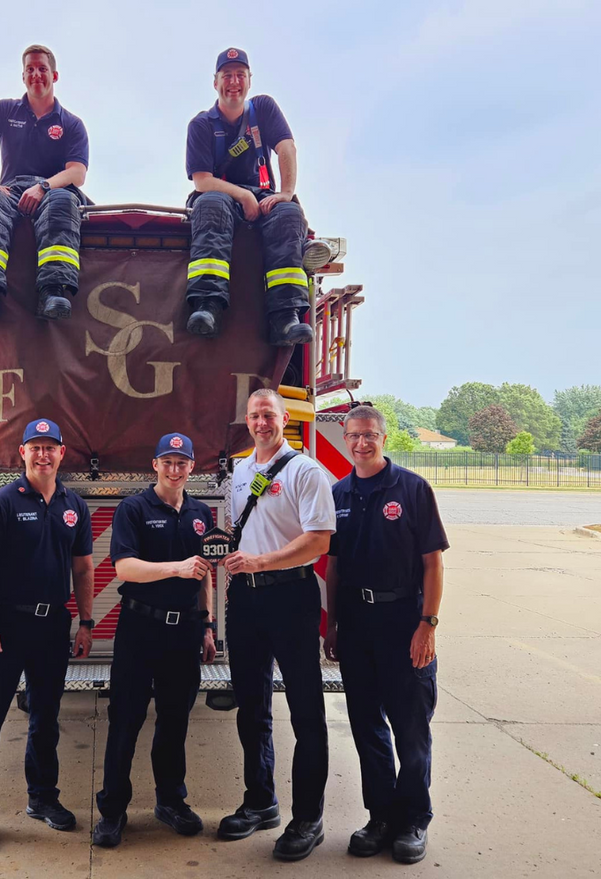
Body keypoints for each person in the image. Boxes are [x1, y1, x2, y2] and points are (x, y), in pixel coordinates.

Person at [0, 418, 95, 850]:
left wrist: (86, 622)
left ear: (62, 453)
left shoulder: (74, 505)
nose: (42, 454)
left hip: (53, 624)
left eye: (49, 447)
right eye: (34, 447)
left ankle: (42, 798)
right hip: (6, 625)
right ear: (22, 454)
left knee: (45, 719)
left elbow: (83, 568)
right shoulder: (0, 502)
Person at [323, 404, 447, 865]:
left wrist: (427, 625)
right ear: (346, 438)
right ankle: (380, 816)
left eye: (370, 435)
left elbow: (434, 563)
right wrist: (332, 624)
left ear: (384, 437)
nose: (361, 443)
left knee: (411, 728)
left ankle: (413, 818)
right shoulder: (337, 493)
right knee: (367, 728)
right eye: (353, 435)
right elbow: (333, 566)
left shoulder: (412, 489)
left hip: (404, 623)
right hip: (357, 625)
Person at [220, 389, 336, 861]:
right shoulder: (239, 471)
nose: (261, 422)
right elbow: (241, 530)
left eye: (269, 414)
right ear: (246, 422)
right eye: (254, 415)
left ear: (285, 419)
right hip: (245, 603)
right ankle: (260, 801)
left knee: (307, 711)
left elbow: (319, 541)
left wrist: (262, 561)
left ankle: (308, 817)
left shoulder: (307, 471)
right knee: (252, 708)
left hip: (291, 598)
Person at [93, 433, 217, 848]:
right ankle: (112, 811)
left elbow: (206, 573)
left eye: (183, 462)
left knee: (175, 719)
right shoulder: (133, 508)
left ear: (192, 468)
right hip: (140, 629)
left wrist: (208, 625)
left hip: (184, 631)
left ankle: (170, 801)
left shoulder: (201, 513)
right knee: (125, 719)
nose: (175, 468)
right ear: (155, 464)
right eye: (168, 461)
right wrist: (176, 569)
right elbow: (125, 568)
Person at [184, 48, 313, 346]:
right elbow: (202, 181)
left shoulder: (264, 109)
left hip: (264, 195)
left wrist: (286, 193)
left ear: (250, 81)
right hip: (219, 195)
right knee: (211, 206)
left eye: (240, 75)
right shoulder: (201, 125)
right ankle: (208, 307)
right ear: (215, 82)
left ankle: (285, 318)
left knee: (289, 215)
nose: (234, 82)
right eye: (226, 75)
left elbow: (286, 148)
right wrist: (242, 195)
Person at [0, 44, 89, 325]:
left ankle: (53, 292)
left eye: (42, 69)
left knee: (64, 203)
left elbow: (76, 173)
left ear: (54, 76)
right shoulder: (5, 110)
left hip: (55, 191)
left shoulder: (72, 124)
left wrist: (44, 186)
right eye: (30, 69)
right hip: (11, 191)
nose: (36, 74)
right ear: (23, 76)